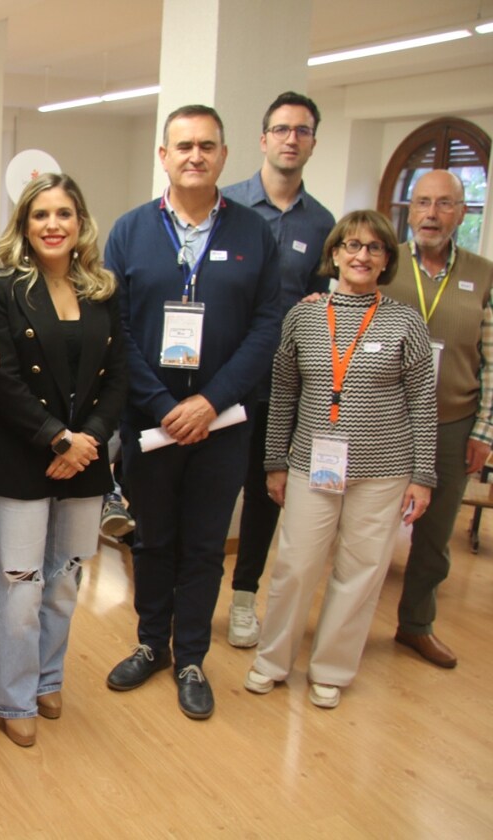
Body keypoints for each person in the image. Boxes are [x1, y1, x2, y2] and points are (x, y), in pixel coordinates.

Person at [103, 104, 281, 720]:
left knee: (205, 545)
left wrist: (210, 402)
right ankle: (152, 643)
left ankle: (192, 658)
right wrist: (162, 406)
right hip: (150, 424)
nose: (195, 156)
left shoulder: (255, 235)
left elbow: (266, 328)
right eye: (183, 146)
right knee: (152, 540)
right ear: (164, 156)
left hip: (224, 423)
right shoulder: (130, 231)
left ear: (225, 156)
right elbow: (115, 328)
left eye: (207, 145)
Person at [245, 210, 436, 709]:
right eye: (352, 245)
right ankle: (272, 660)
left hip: (383, 469)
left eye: (374, 248)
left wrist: (423, 475)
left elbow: (422, 402)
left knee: (360, 570)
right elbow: (283, 394)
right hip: (313, 463)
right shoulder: (304, 316)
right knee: (295, 565)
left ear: (387, 261)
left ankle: (330, 669)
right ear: (333, 254)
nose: (361, 256)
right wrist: (275, 462)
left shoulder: (405, 322)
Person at [0, 173, 126, 747]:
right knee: (19, 582)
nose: (53, 225)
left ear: (81, 223)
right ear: (25, 224)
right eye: (41, 215)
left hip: (85, 457)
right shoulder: (0, 288)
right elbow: (5, 379)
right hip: (22, 453)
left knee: (64, 580)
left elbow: (119, 377)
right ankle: (14, 696)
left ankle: (47, 677)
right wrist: (56, 439)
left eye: (64, 213)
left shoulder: (103, 290)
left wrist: (86, 439)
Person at [221, 92, 336, 648]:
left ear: (313, 142)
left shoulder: (322, 224)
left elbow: (319, 304)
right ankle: (187, 595)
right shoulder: (226, 206)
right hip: (222, 382)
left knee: (267, 494)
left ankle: (244, 599)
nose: (292, 139)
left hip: (282, 388)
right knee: (213, 492)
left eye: (303, 131)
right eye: (282, 129)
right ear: (263, 139)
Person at [383, 170, 493, 669]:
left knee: (435, 534)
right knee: (361, 527)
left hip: (451, 421)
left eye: (444, 204)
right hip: (382, 418)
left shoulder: (483, 274)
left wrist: (484, 431)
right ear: (410, 209)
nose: (431, 213)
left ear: (462, 212)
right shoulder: (384, 261)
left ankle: (416, 625)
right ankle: (344, 625)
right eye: (422, 202)